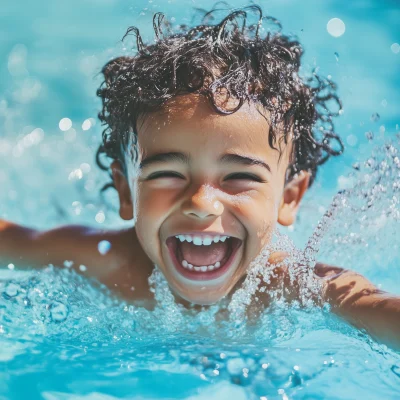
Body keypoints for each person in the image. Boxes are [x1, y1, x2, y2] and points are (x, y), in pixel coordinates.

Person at [0, 6, 399, 349]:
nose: (201, 203)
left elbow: (369, 303)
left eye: (239, 176)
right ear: (126, 190)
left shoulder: (292, 287)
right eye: (169, 173)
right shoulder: (106, 262)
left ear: (289, 198)